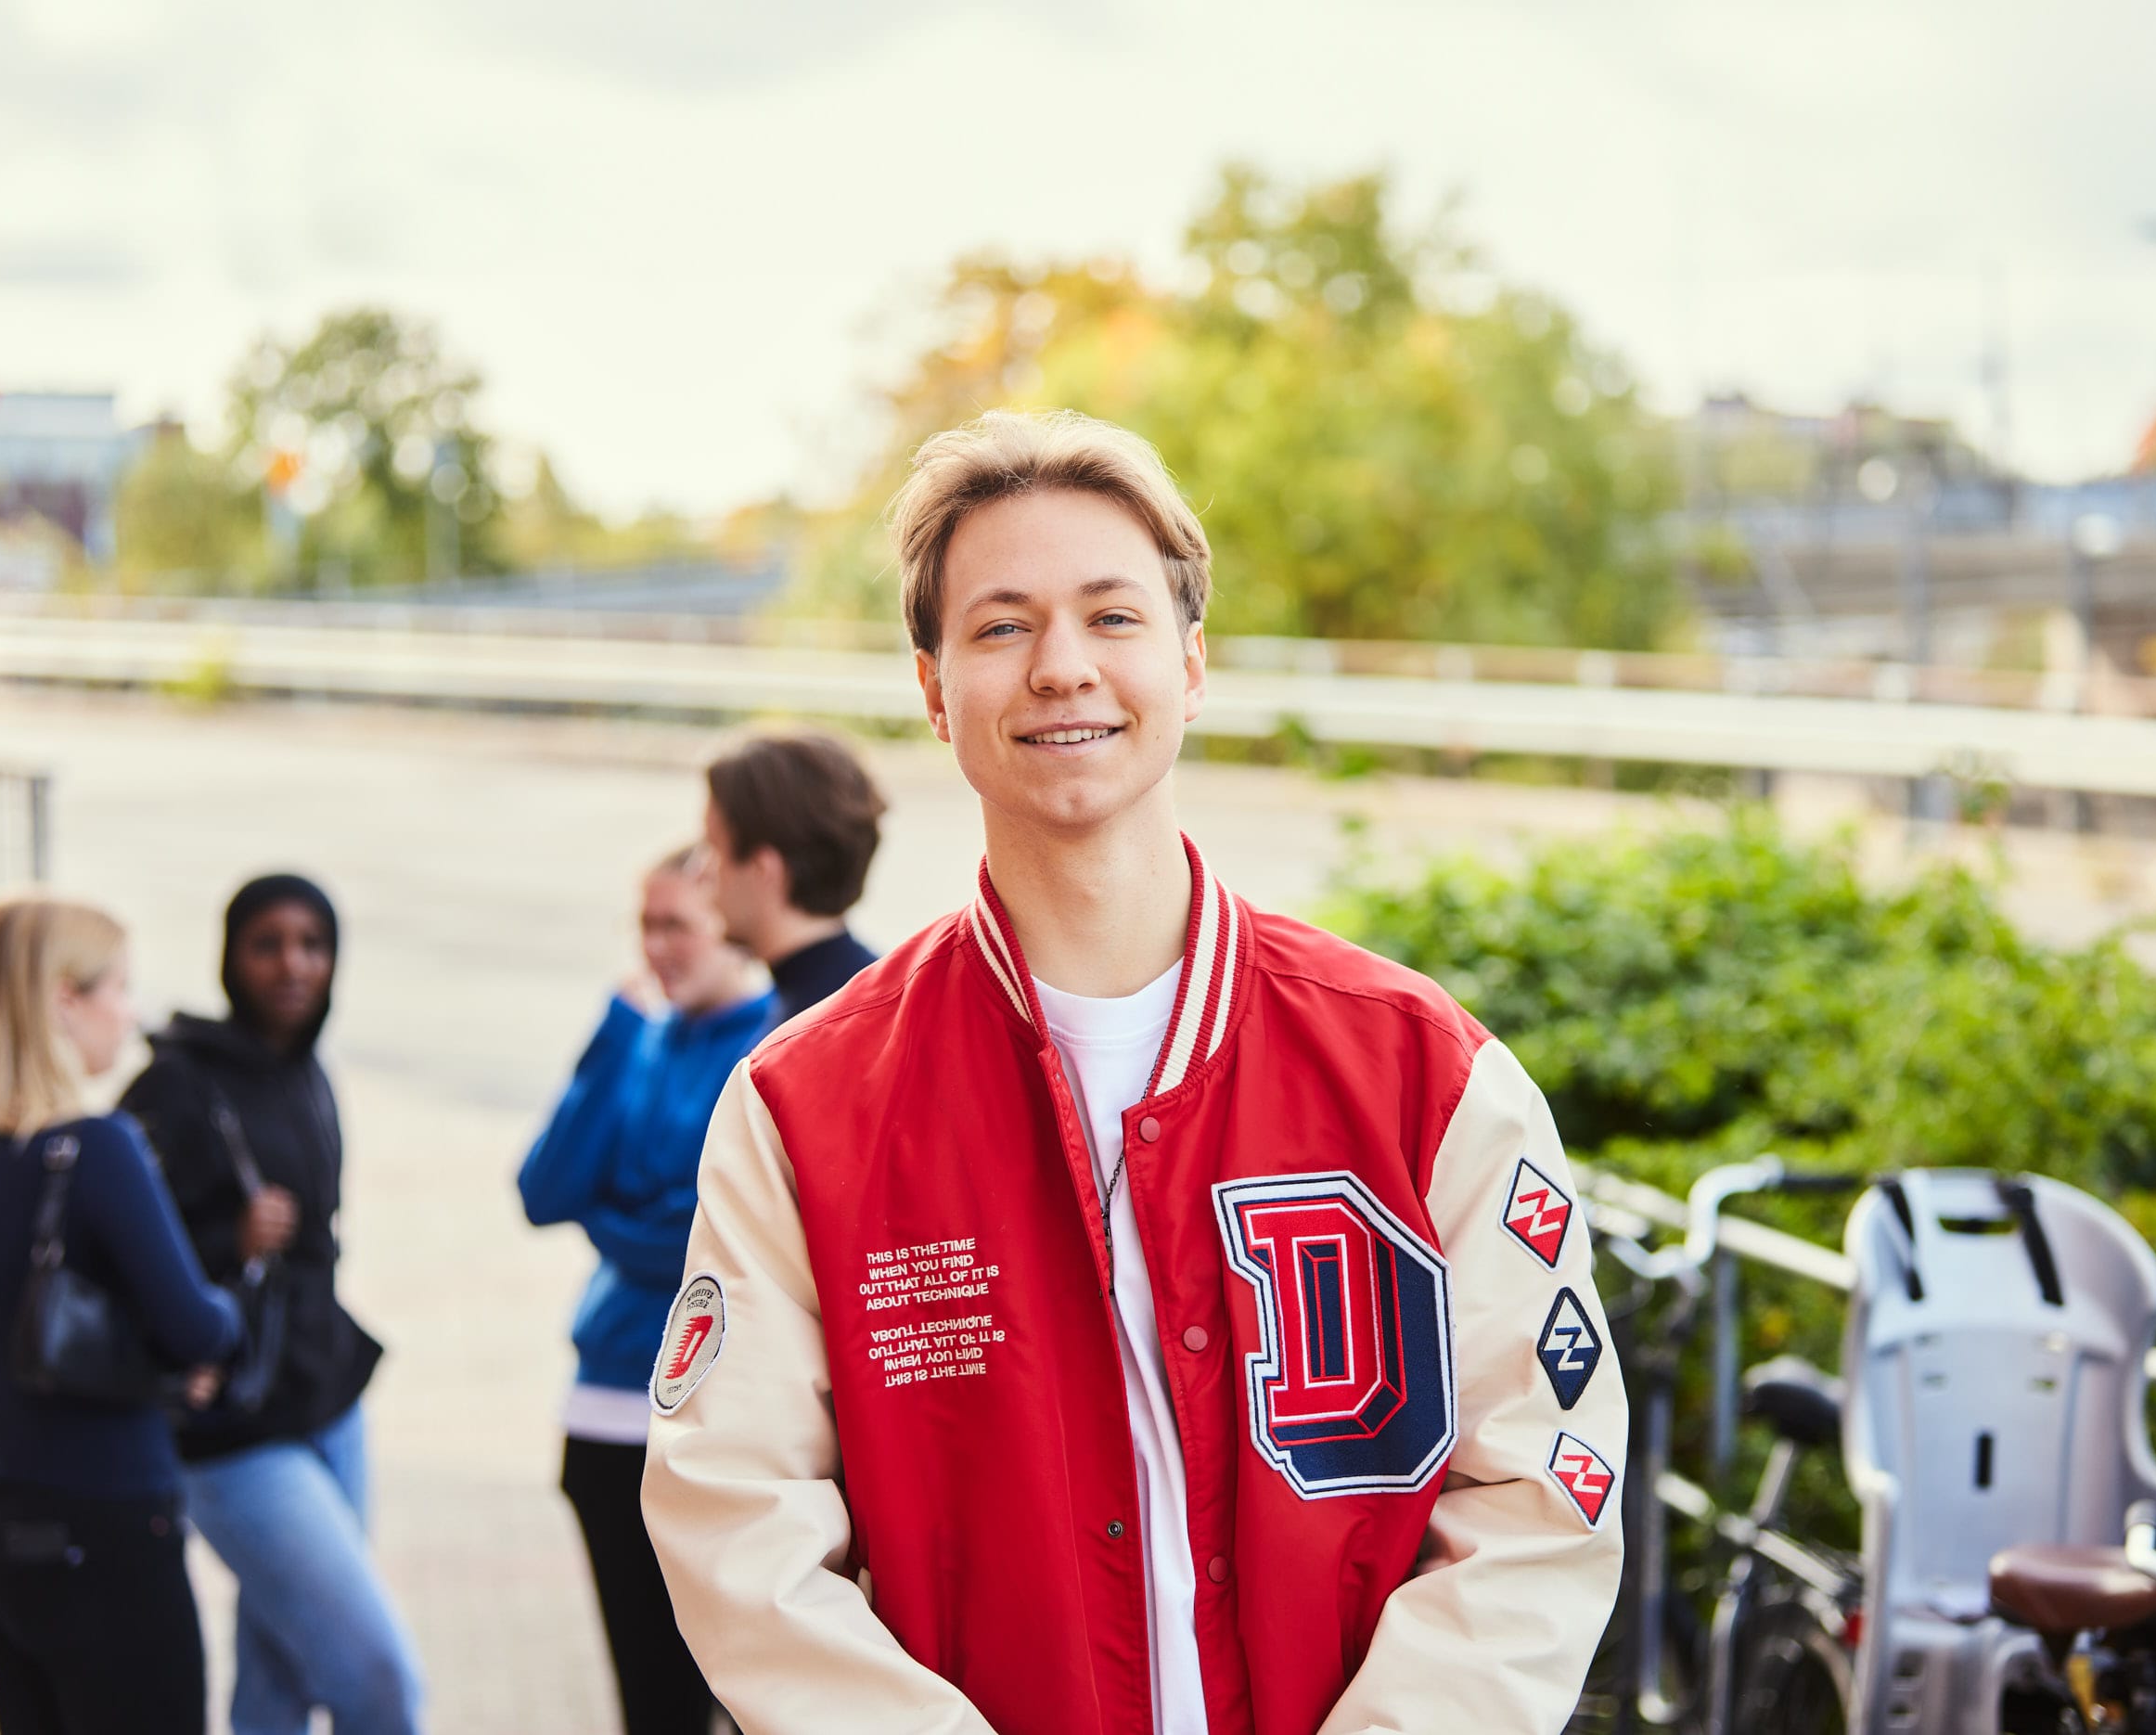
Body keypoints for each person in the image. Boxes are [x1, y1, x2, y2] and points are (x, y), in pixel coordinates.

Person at [641, 410, 1629, 1734]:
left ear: (1192, 662)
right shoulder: (801, 1110)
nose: (1062, 668)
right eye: (1001, 626)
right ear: (933, 687)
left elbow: (1539, 1490)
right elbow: (738, 1527)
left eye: (1113, 617)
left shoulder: (1426, 1074)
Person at [118, 874, 424, 1735]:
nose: (293, 964)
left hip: (326, 1399)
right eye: (267, 944)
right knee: (380, 1677)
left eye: (313, 944)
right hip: (232, 1427)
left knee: (280, 1677)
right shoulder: (176, 1084)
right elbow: (109, 1250)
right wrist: (228, 1242)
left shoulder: (307, 1072)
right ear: (231, 956)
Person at [0, 895, 243, 1735]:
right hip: (105, 1529)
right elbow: (199, 1329)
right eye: (119, 988)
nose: (132, 1012)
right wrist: (222, 1306)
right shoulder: (98, 1148)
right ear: (64, 1001)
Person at [519, 844, 774, 1735]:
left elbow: (703, 1238)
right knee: (653, 1707)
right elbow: (545, 1189)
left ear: (731, 927)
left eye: (679, 926)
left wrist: (611, 1218)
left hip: (717, 1415)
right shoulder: (638, 1036)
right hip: (602, 1411)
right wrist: (614, 1032)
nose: (657, 947)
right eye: (647, 924)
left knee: (749, 1704)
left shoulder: (772, 1043)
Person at [699, 733, 885, 1025]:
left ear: (764, 870)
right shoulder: (874, 992)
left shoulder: (814, 1028)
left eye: (713, 849)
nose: (701, 873)